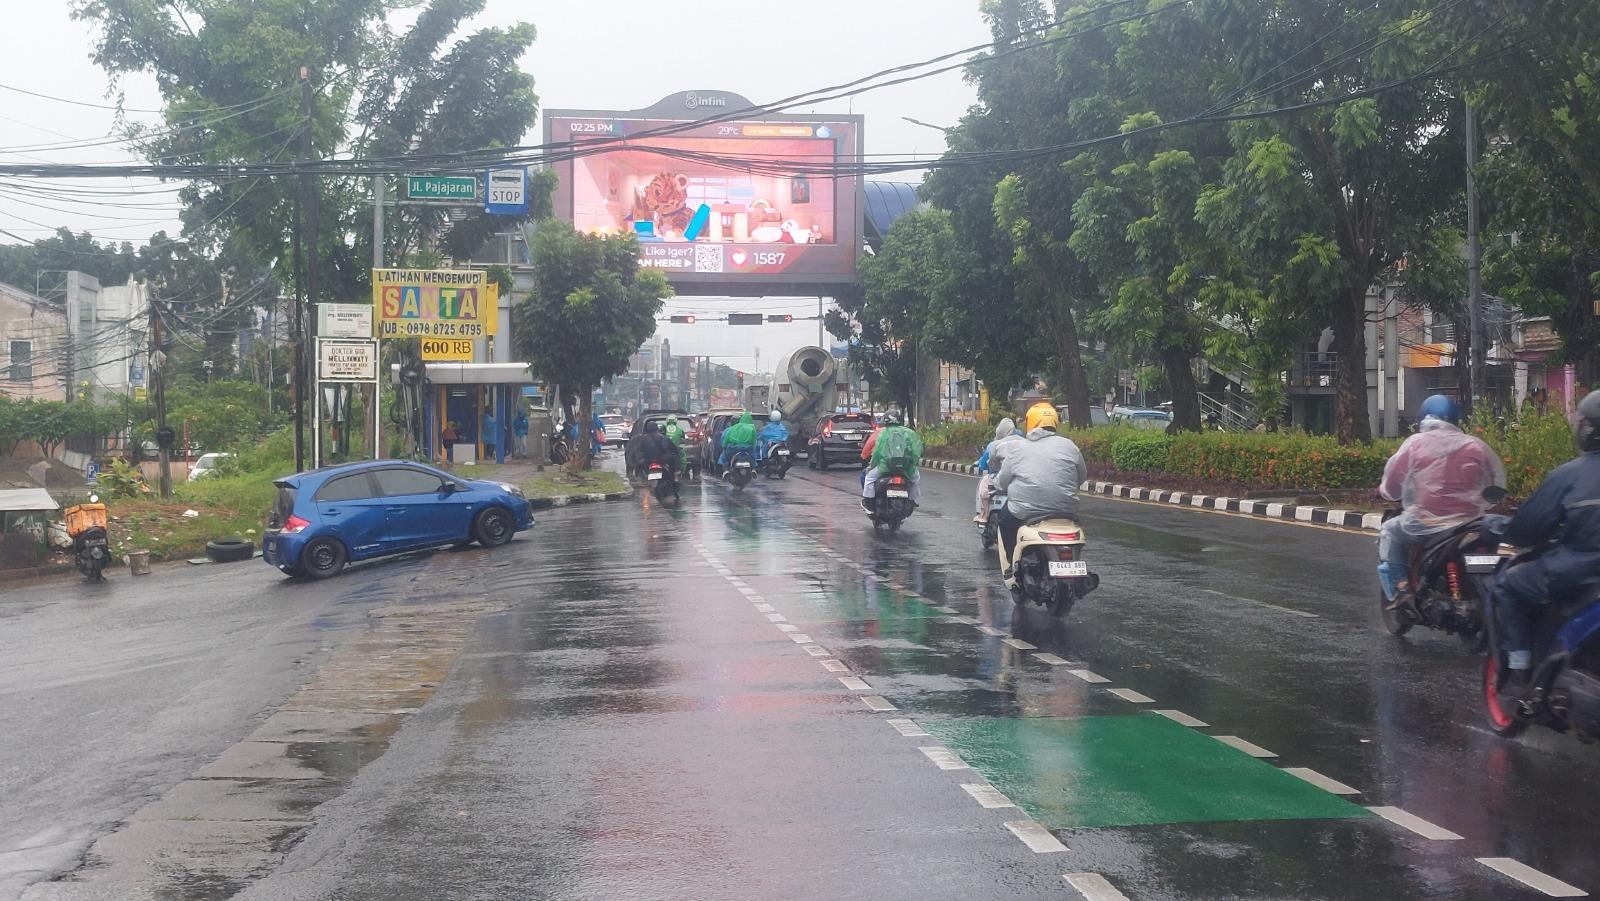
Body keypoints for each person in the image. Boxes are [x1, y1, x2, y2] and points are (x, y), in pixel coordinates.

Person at [1494, 389, 1600, 697]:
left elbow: (1527, 529)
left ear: (1586, 429)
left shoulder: (1570, 475)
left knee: (1509, 584)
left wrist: (1503, 529)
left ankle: (1520, 671)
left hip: (1579, 570)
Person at [1376, 394, 1506, 609]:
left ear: (1423, 418)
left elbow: (1392, 485)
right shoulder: (1477, 446)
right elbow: (1496, 486)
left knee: (1390, 531)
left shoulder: (1414, 445)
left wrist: (1384, 491)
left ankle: (1402, 589)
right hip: (1470, 524)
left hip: (1425, 523)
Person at [994, 403, 1086, 576]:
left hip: (1025, 511)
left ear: (1031, 422)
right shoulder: (1070, 446)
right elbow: (1081, 477)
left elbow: (1002, 481)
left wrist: (996, 484)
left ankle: (1013, 565)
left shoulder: (1018, 448)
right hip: (1066, 511)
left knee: (1005, 520)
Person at [860, 411, 924, 512]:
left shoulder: (881, 433)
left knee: (869, 478)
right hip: (906, 468)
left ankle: (868, 502)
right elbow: (917, 450)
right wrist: (912, 463)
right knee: (915, 479)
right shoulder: (909, 433)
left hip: (885, 467)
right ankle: (912, 501)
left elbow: (877, 452)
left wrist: (872, 465)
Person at [973, 417, 1019, 523]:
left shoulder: (994, 445)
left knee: (984, 485)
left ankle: (983, 515)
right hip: (1019, 477)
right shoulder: (1024, 442)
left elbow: (986, 464)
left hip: (999, 478)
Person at [635, 421, 681, 501]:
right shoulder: (663, 437)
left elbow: (639, 451)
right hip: (661, 460)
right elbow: (673, 449)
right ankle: (674, 478)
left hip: (648, 461)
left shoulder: (643, 439)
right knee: (674, 462)